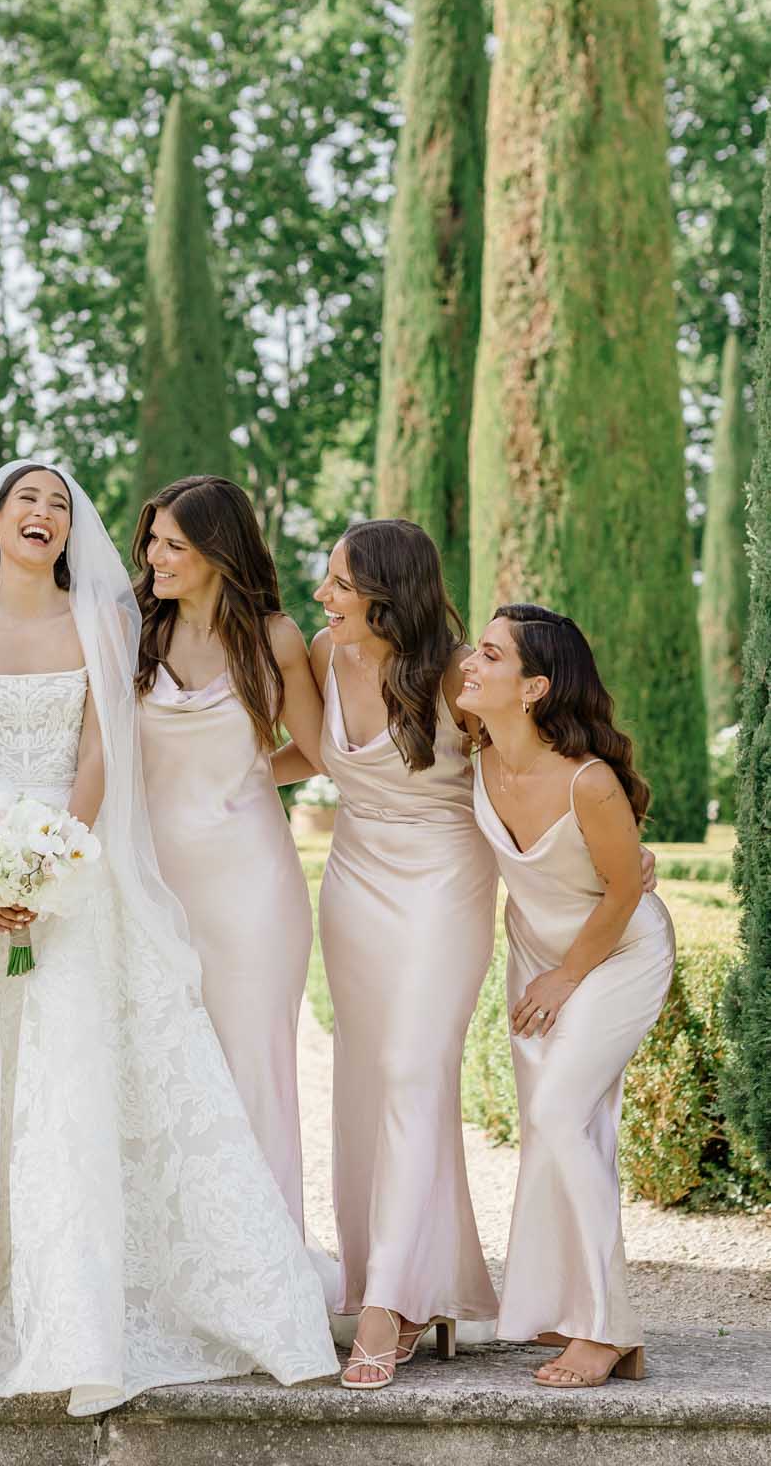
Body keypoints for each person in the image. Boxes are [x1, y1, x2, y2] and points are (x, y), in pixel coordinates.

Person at [0, 463, 339, 1413]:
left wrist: (61, 856)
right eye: (26, 500)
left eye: (60, 505)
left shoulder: (106, 621)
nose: (43, 512)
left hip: (79, 864)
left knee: (77, 1080)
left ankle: (85, 1315)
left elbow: (102, 744)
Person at [460, 605, 674, 1389]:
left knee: (557, 1114)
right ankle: (567, 1306)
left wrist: (566, 975)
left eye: (489, 655)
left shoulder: (589, 781)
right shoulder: (472, 751)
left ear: (534, 687)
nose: (470, 665)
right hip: (534, 953)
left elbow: (622, 891)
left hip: (616, 954)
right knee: (559, 1127)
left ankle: (607, 1329)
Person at [306, 520, 499, 1387]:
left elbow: (530, 764)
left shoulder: (462, 674)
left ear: (389, 592)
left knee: (417, 1069)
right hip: (353, 881)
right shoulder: (322, 653)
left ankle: (389, 1300)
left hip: (442, 880)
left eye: (341, 584)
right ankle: (396, 1277)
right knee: (365, 1078)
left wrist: (611, 846)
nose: (325, 597)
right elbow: (298, 757)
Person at [132, 473, 324, 1229]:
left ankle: (265, 1254)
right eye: (151, 540)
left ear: (217, 551)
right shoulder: (135, 632)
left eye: (173, 544)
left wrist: (245, 774)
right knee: (163, 1067)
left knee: (251, 1062)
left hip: (250, 886)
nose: (153, 556)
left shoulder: (272, 639)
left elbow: (312, 753)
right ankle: (179, 1255)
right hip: (153, 881)